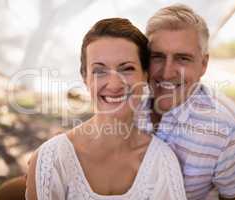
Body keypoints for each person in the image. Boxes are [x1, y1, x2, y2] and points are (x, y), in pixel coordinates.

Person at [25, 18, 187, 200]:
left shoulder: (162, 161)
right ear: (85, 78)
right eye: (99, 71)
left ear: (145, 76)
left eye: (127, 69)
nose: (114, 84)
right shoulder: (52, 159)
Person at [136, 4, 235, 200]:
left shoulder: (230, 126)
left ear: (203, 64)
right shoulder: (127, 105)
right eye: (157, 57)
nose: (167, 72)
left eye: (182, 58)